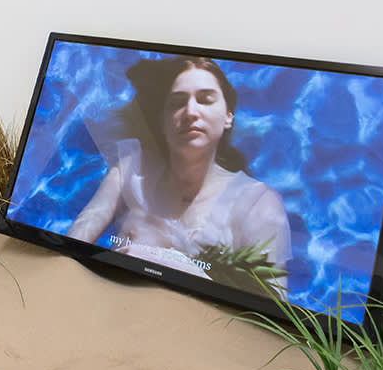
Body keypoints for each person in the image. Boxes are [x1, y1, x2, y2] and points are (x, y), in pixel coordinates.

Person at [66, 56, 292, 290]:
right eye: (177, 102)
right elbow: (72, 245)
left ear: (228, 116)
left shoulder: (257, 203)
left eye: (205, 100)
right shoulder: (130, 172)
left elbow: (275, 305)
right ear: (163, 121)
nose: (191, 112)